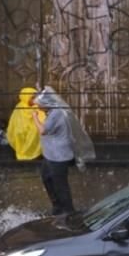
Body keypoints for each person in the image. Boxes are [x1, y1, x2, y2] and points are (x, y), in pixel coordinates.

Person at [32, 87, 86, 216]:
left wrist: (35, 117)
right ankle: (57, 206)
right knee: (47, 178)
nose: (38, 108)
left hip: (58, 156)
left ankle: (68, 211)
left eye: (40, 105)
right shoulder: (53, 111)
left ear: (47, 103)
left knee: (60, 185)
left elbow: (43, 131)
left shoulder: (56, 113)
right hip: (50, 154)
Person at [5, 86, 45, 161]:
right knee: (19, 132)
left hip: (35, 127)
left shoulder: (37, 106)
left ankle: (35, 154)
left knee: (35, 132)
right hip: (23, 128)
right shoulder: (20, 107)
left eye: (35, 97)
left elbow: (43, 119)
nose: (34, 100)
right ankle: (23, 152)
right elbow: (15, 122)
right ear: (26, 98)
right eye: (32, 98)